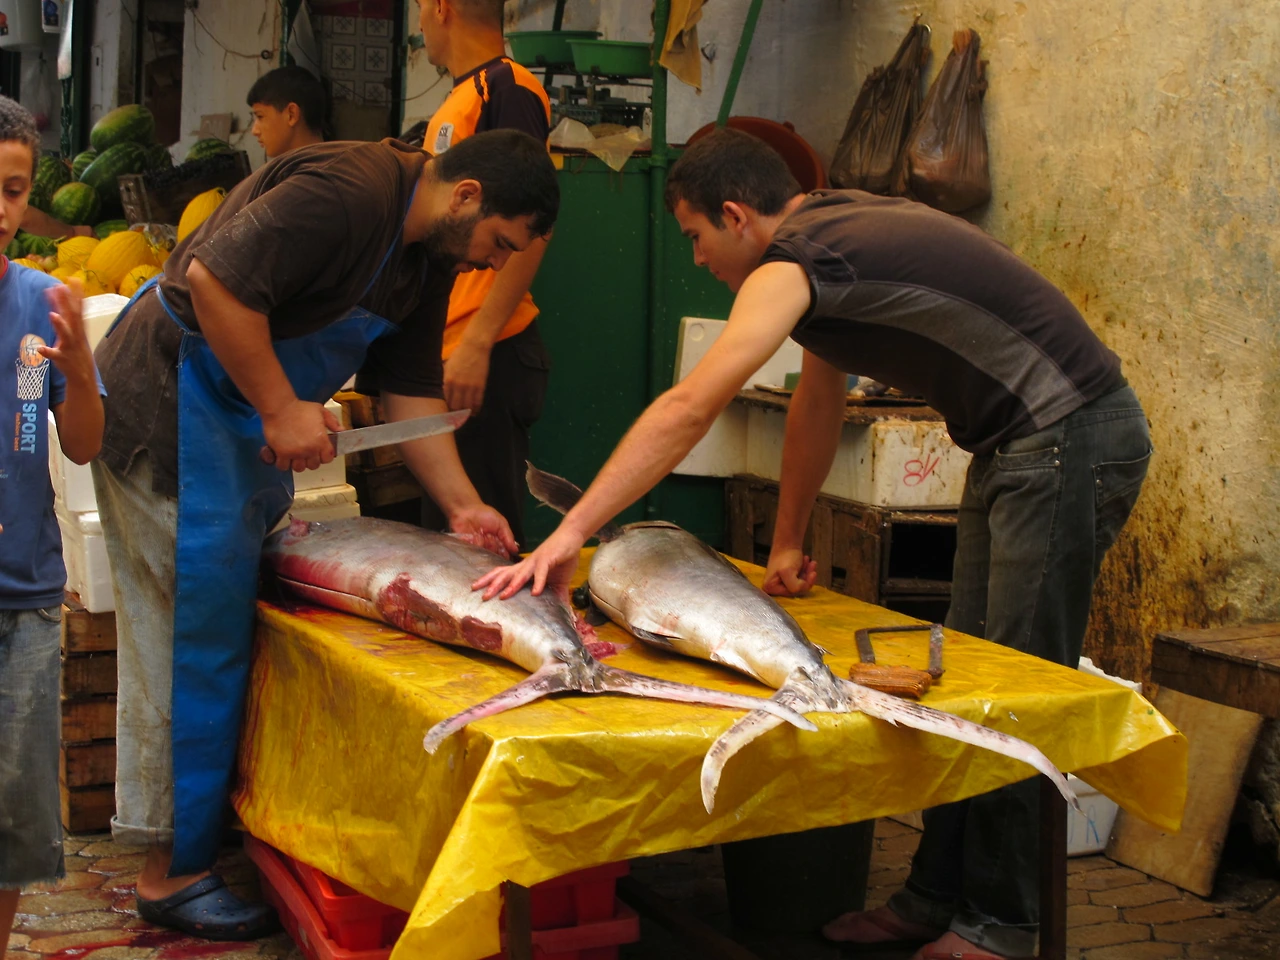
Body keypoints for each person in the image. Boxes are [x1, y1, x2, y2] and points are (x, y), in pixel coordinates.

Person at [475, 128, 1152, 960]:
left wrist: (572, 532)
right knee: (969, 680)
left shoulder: (797, 259)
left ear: (735, 215)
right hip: (1017, 447)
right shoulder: (828, 244)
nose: (695, 260)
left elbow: (693, 406)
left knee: (1012, 693)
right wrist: (787, 539)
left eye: (695, 237)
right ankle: (934, 897)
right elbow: (816, 402)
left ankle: (1000, 925)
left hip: (1068, 437)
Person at [90, 128, 558, 940]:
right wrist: (277, 405)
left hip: (235, 439)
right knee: (187, 648)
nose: (491, 262)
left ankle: (202, 838)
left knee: (225, 640)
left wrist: (462, 507)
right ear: (468, 196)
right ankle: (171, 873)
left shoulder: (427, 257)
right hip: (167, 421)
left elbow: (408, 392)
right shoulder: (352, 190)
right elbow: (215, 283)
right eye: (499, 243)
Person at [0, 95, 104, 951]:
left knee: (9, 823)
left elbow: (60, 440)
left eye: (11, 190)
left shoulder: (42, 309)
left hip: (23, 599)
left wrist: (76, 367)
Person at [414, 0, 553, 546]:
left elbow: (533, 226)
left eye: (420, 8)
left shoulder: (508, 88)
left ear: (441, 6)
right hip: (447, 352)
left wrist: (477, 341)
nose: (419, 22)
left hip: (486, 352)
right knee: (449, 540)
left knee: (481, 547)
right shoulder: (456, 97)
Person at [247, 65, 327, 160]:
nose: (254, 131)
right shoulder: (338, 163)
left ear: (291, 114)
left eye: (260, 116)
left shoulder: (308, 173)